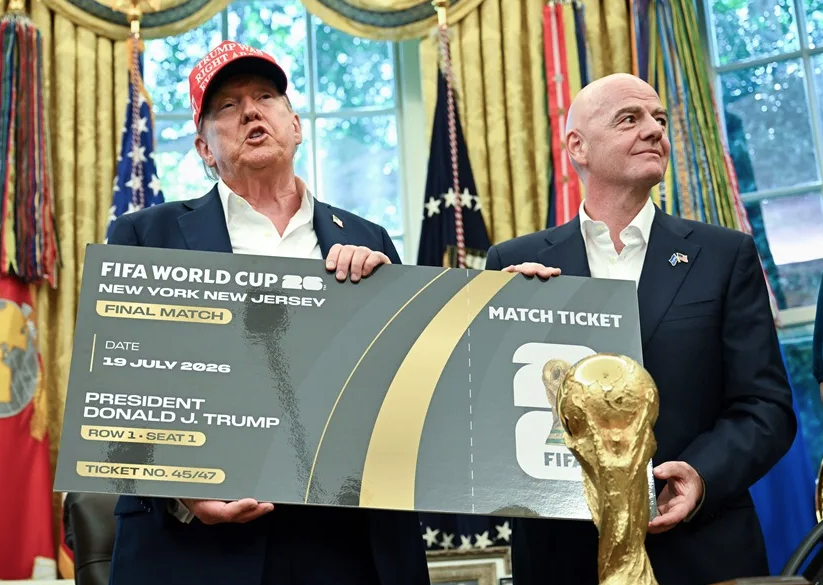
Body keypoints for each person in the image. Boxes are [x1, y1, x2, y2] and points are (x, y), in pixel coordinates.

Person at [105, 41, 430, 585]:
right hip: (196, 549)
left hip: (346, 544)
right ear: (205, 149)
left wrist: (388, 301)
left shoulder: (368, 240)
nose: (251, 113)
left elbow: (410, 390)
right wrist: (180, 486)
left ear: (295, 126)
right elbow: (116, 382)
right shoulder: (145, 236)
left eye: (265, 97)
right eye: (227, 106)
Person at [486, 73, 796, 585]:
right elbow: (487, 419)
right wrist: (507, 319)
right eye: (629, 119)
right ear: (577, 147)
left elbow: (766, 407)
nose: (654, 130)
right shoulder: (515, 266)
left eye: (659, 119)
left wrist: (701, 474)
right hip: (564, 557)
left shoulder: (725, 255)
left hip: (700, 551)